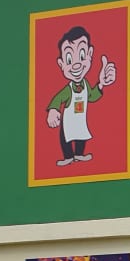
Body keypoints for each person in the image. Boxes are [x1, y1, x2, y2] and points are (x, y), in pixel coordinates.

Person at [46, 26, 117, 167]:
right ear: (61, 64)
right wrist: (53, 110)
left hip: (80, 119)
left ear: (90, 54)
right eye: (69, 59)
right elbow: (58, 98)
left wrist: (101, 84)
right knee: (65, 138)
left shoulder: (85, 84)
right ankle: (68, 156)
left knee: (81, 135)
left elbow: (92, 96)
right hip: (68, 121)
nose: (77, 64)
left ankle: (79, 154)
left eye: (82, 55)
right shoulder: (68, 89)